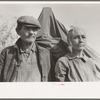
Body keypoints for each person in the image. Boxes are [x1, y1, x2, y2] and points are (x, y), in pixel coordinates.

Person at [0, 16, 51, 82]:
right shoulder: (7, 53)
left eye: (34, 29)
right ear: (18, 31)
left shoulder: (45, 54)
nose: (31, 32)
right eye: (27, 29)